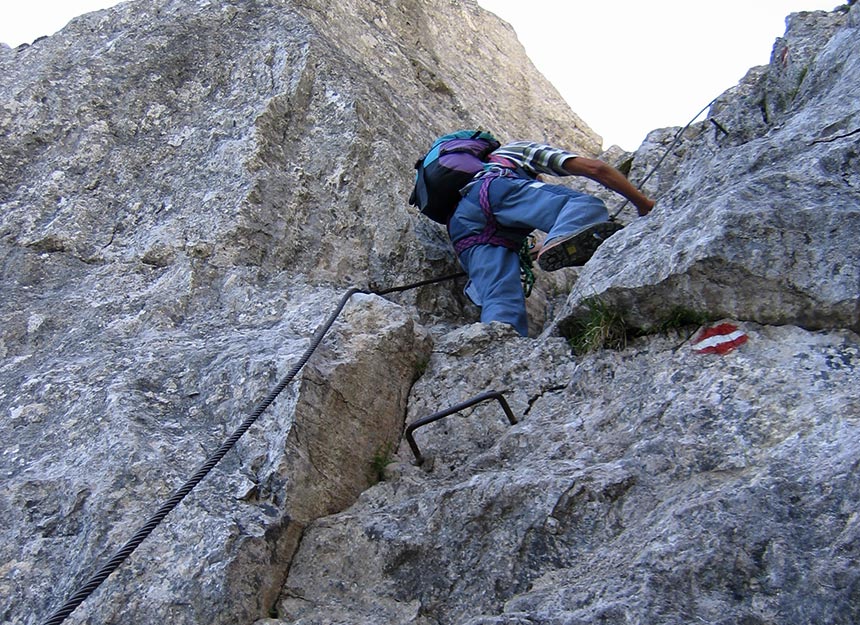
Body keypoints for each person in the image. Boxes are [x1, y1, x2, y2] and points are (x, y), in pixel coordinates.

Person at [447, 140, 655, 337]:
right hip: (493, 190)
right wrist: (643, 204)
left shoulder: (469, 180)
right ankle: (562, 235)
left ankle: (494, 349)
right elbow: (596, 168)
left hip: (462, 226)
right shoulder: (516, 151)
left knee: (501, 300)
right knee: (585, 207)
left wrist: (538, 249)